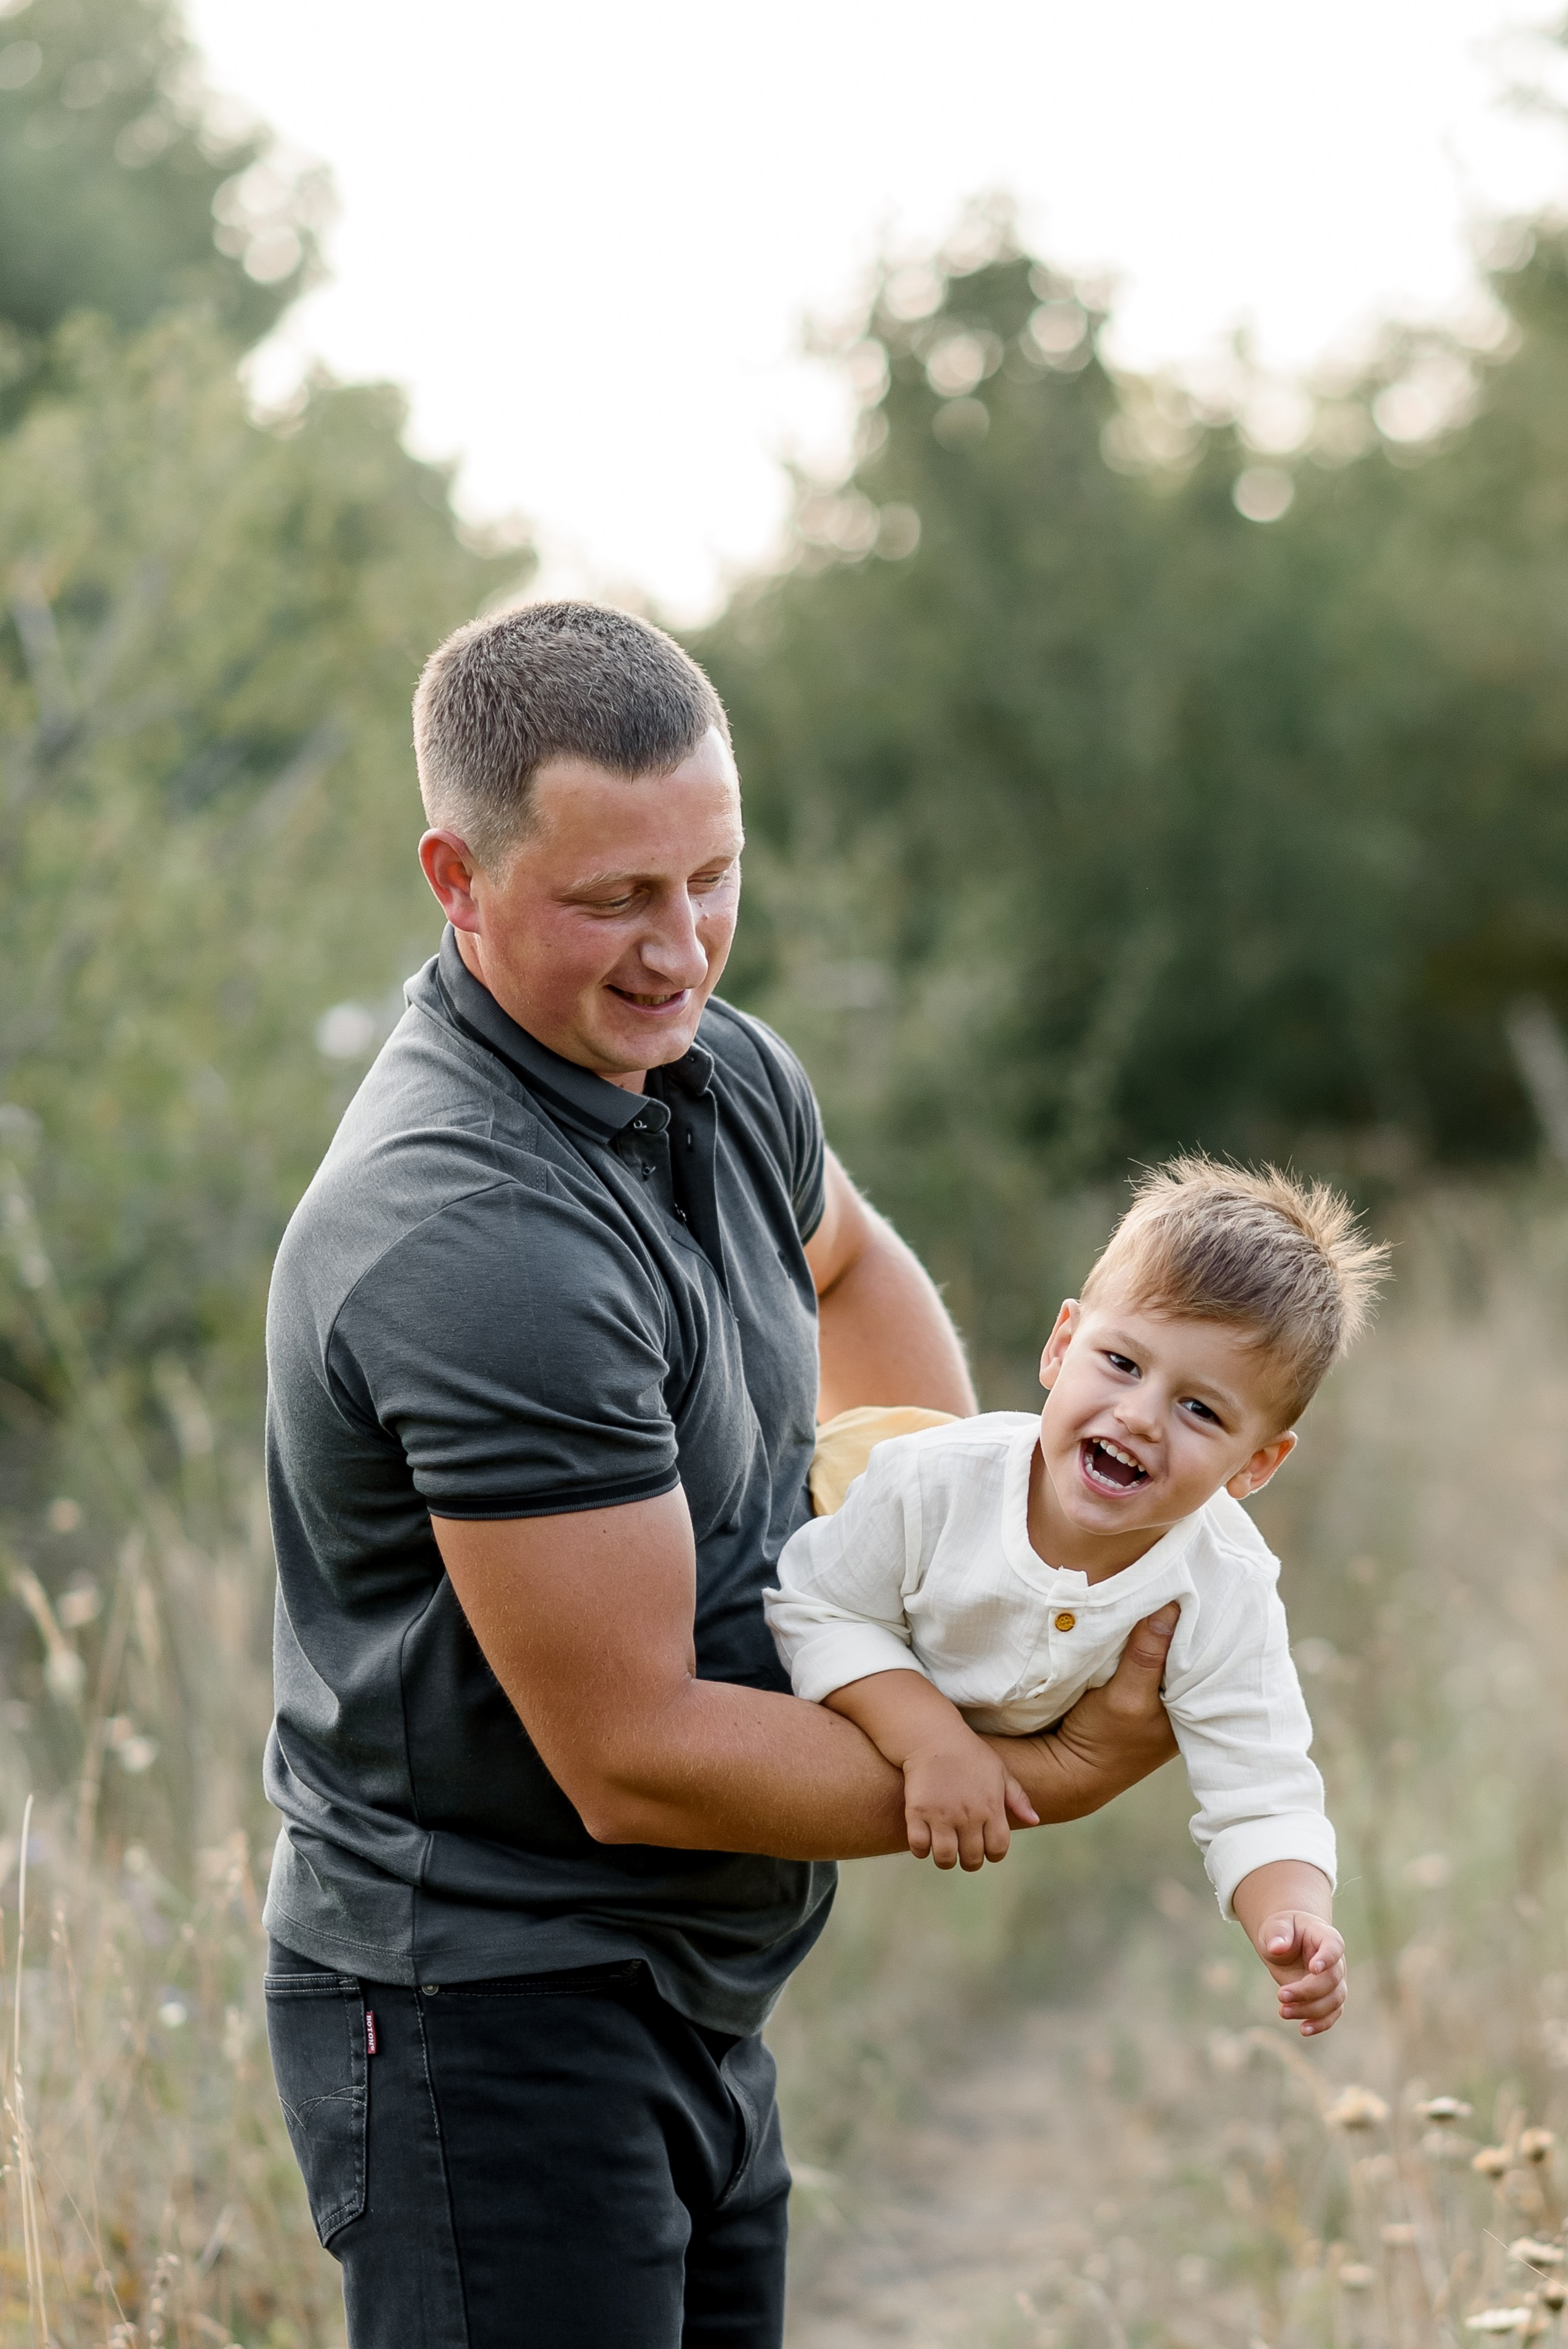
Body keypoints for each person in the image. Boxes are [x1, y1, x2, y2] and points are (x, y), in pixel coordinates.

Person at [261, 600, 1183, 2349]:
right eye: (615, 897)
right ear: (456, 880)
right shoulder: (474, 1239)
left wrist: (949, 1558)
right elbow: (641, 1757)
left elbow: (850, 1262)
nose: (681, 949)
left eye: (713, 877)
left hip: (684, 1984)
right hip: (488, 2013)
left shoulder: (717, 1067)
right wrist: (1036, 1763)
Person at [768, 1157, 1390, 2041]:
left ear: (1255, 1466)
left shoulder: (1221, 1586)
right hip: (812, 1547)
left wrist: (1292, 1916)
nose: (1139, 1415)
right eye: (1121, 1362)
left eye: (1200, 1412)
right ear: (1062, 1345)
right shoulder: (933, 1484)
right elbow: (817, 1610)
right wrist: (931, 1740)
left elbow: (1262, 1784)